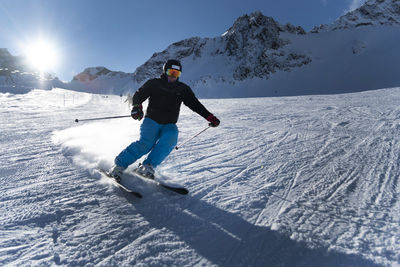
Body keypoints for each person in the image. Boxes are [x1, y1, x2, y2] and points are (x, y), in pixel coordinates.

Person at [109, 59, 220, 181]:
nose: (173, 76)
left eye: (176, 74)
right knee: (146, 144)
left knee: (172, 136)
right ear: (165, 71)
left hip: (169, 124)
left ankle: (148, 166)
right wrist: (137, 107)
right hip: (152, 120)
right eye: (171, 72)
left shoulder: (183, 89)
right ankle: (119, 165)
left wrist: (210, 117)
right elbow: (139, 95)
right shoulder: (154, 84)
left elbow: (195, 105)